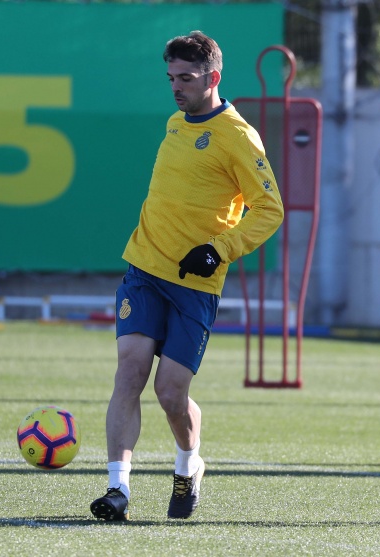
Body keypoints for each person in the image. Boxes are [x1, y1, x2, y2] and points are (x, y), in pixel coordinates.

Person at [90, 31, 284, 521]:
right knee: (130, 371)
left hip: (194, 286)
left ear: (212, 77)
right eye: (171, 78)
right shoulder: (176, 122)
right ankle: (117, 489)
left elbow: (270, 209)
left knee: (171, 393)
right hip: (144, 269)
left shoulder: (238, 136)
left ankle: (188, 465)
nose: (176, 87)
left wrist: (219, 249)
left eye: (186, 78)